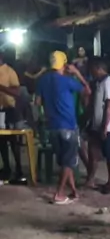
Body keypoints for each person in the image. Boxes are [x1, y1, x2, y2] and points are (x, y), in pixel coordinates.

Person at [35, 51, 90, 204]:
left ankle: (73, 191)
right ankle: (59, 194)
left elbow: (37, 102)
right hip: (68, 125)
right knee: (68, 161)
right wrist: (77, 73)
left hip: (52, 126)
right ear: (64, 64)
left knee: (65, 162)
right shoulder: (67, 81)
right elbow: (87, 90)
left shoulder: (42, 80)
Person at [87, 58, 110, 193]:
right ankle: (108, 180)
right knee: (102, 154)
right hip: (98, 125)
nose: (91, 72)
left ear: (98, 68)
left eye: (92, 69)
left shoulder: (109, 83)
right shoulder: (99, 83)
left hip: (108, 127)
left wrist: (105, 126)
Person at [0, 50, 23, 182]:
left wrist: (2, 88)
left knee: (13, 140)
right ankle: (6, 168)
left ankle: (19, 169)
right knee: (1, 141)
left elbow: (17, 92)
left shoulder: (9, 71)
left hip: (9, 110)